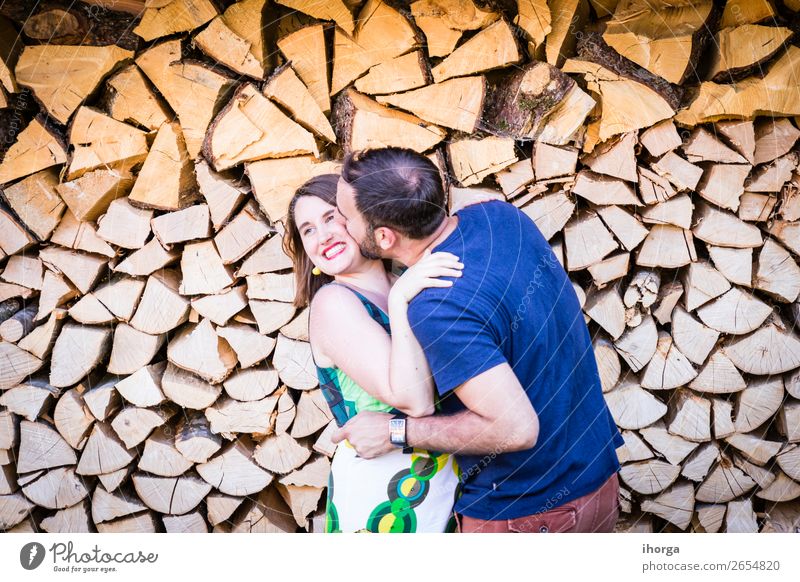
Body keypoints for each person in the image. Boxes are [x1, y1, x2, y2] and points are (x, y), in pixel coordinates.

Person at [331, 147, 624, 533]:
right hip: (599, 481)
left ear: (384, 237)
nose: (339, 225)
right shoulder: (500, 216)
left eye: (345, 217)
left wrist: (394, 432)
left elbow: (516, 429)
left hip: (529, 514)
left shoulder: (437, 305)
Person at [283, 173, 465, 533]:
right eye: (308, 230)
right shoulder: (334, 303)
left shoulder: (405, 282)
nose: (323, 237)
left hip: (441, 479)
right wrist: (399, 303)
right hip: (381, 494)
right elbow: (415, 401)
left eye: (331, 217)